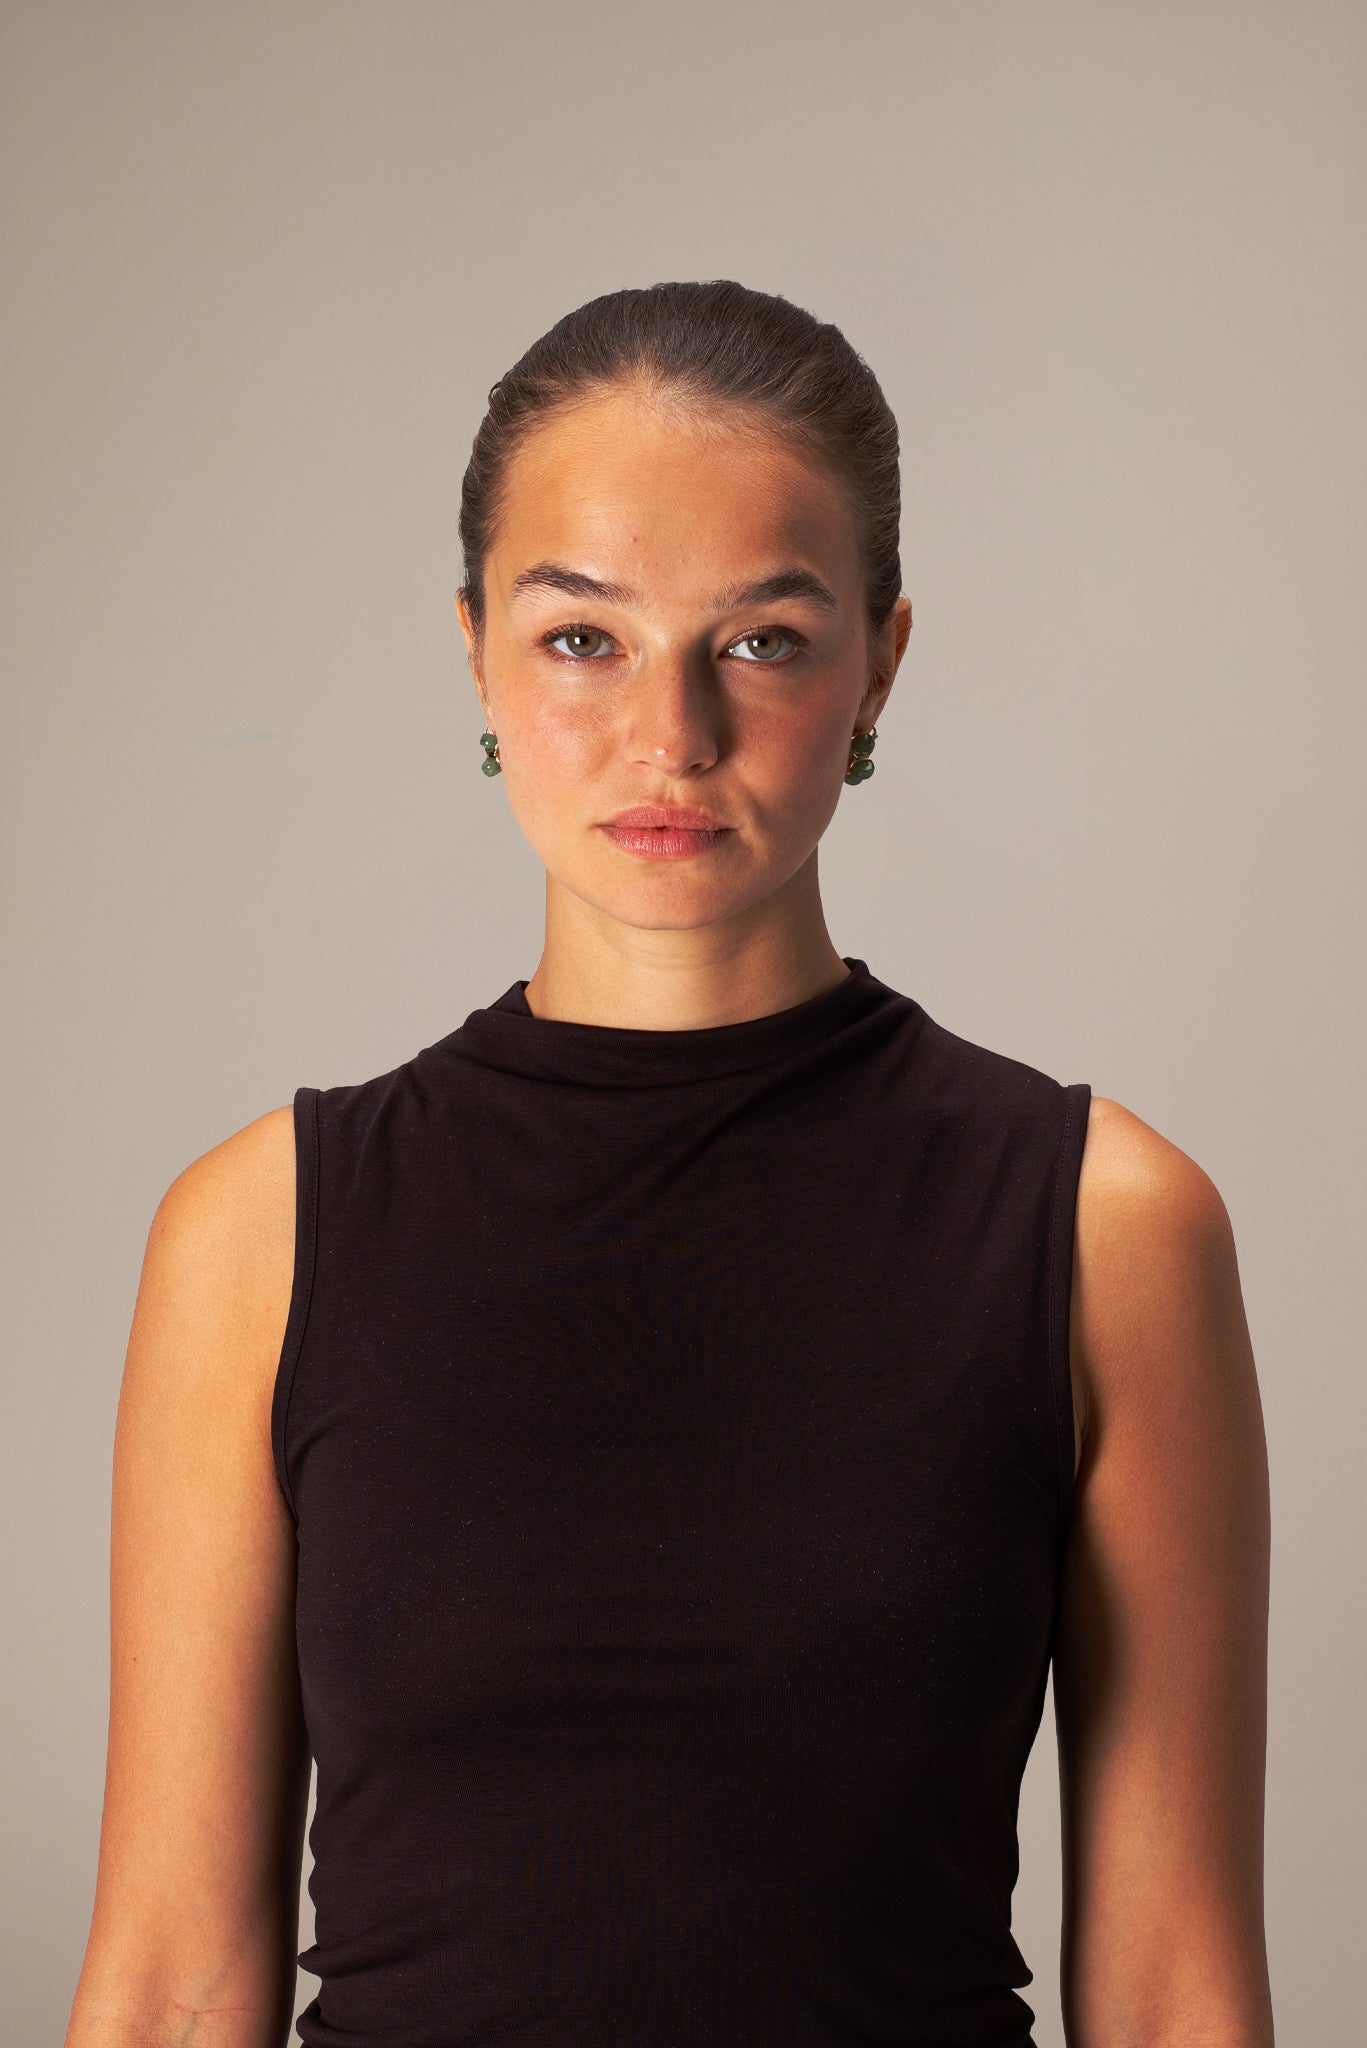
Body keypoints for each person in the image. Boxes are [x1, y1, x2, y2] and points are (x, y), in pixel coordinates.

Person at [64, 281, 1274, 2048]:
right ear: (473, 648)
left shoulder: (1103, 1228)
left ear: (884, 658)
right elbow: (172, 1988)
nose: (672, 735)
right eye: (582, 639)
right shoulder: (263, 1233)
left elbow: (1176, 1994)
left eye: (764, 638)